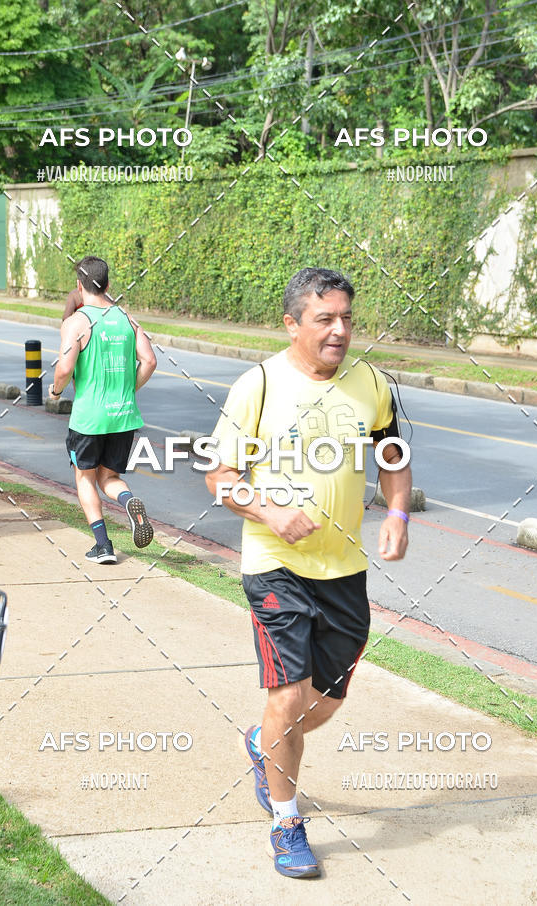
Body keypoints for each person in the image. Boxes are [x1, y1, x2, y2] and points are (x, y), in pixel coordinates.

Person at [205, 267, 412, 879]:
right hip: (275, 567)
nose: (340, 330)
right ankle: (287, 822)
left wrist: (397, 511)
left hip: (344, 569)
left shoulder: (372, 383)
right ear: (292, 324)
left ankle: (261, 742)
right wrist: (269, 511)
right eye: (325, 319)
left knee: (319, 706)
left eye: (347, 318)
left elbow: (394, 457)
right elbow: (220, 477)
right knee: (287, 694)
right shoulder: (260, 385)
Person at [49, 256, 157, 564]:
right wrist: (127, 391)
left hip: (89, 418)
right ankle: (128, 500)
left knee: (84, 478)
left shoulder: (76, 323)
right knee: (108, 477)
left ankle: (103, 546)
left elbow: (65, 367)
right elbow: (149, 361)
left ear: (78, 287)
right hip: (123, 415)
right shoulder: (126, 317)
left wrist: (56, 392)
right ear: (108, 285)